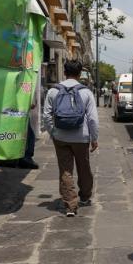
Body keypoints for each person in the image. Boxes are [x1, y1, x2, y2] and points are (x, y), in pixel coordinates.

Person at [43, 60, 99, 217]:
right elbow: (93, 119)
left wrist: (53, 132)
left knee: (65, 170)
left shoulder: (53, 91)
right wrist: (94, 138)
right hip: (81, 137)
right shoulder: (86, 92)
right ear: (80, 73)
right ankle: (85, 197)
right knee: (84, 168)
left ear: (64, 72)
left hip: (60, 137)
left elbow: (46, 115)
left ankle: (70, 205)